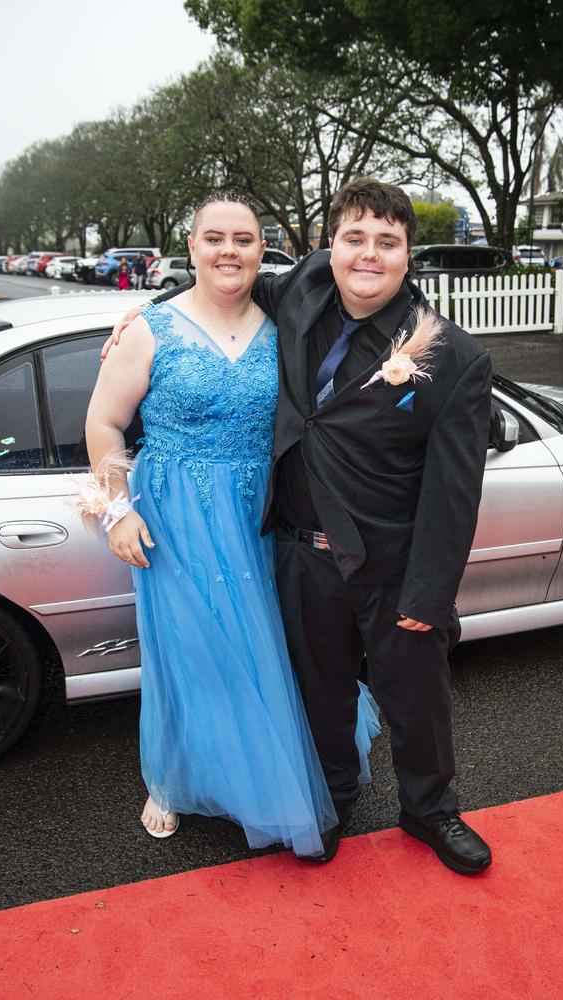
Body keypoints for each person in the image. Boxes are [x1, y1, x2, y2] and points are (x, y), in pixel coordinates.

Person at [106, 177, 493, 875]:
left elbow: (453, 491)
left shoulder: (454, 357)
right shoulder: (300, 294)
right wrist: (144, 314)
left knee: (415, 693)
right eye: (354, 239)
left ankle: (431, 807)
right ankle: (334, 794)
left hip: (392, 558)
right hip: (295, 551)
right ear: (329, 248)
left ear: (409, 256)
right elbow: (217, 288)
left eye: (387, 243)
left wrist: (428, 594)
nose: (367, 255)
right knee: (321, 690)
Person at [86, 193, 378, 859]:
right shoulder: (147, 329)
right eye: (213, 238)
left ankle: (263, 772)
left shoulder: (287, 328)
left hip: (264, 511)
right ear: (190, 248)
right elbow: (103, 424)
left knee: (267, 649)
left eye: (242, 239)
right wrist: (116, 510)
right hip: (174, 519)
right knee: (189, 655)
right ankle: (173, 780)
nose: (228, 250)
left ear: (260, 250)